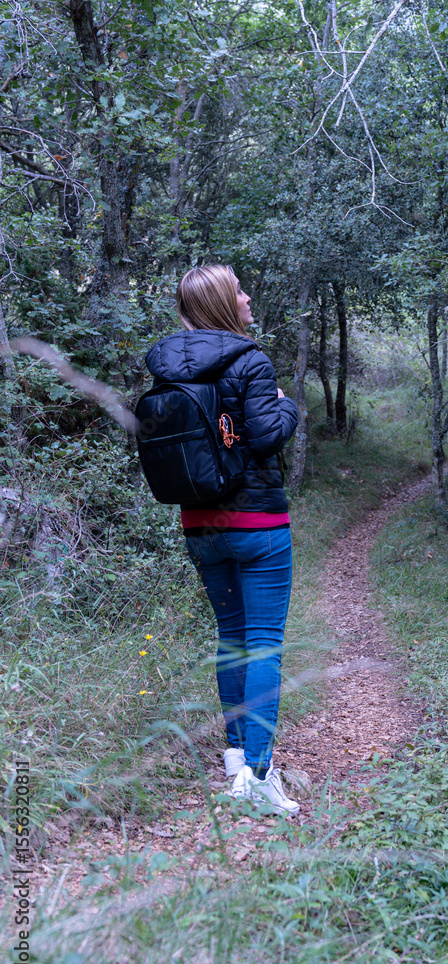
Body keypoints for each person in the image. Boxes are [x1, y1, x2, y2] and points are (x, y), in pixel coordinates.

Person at [145, 264, 300, 816]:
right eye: (238, 289)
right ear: (221, 303)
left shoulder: (166, 368)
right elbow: (265, 436)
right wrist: (287, 405)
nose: (247, 295)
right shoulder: (250, 360)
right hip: (257, 524)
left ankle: (236, 764)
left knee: (231, 637)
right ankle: (259, 775)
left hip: (200, 524)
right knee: (262, 642)